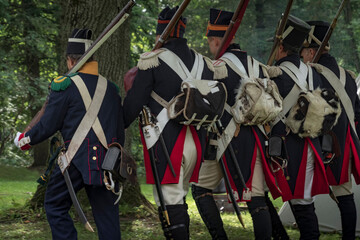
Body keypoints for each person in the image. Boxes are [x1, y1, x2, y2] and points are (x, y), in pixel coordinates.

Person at [14, 28, 124, 240]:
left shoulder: (65, 85)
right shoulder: (111, 89)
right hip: (107, 163)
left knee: (54, 205)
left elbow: (47, 125)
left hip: (76, 160)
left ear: (71, 61)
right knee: (107, 216)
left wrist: (25, 141)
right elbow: (119, 131)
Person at [123, 6, 215, 240]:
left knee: (170, 204)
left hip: (169, 143)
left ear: (160, 34)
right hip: (195, 142)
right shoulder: (203, 62)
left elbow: (133, 104)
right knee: (178, 200)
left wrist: (117, 125)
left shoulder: (152, 61)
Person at [191, 8, 283, 240]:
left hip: (225, 140)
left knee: (206, 191)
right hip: (251, 140)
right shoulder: (257, 65)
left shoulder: (214, 67)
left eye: (210, 42)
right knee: (255, 198)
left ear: (215, 40)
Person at [268, 15, 330, 239]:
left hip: (287, 149)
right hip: (310, 145)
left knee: (267, 197)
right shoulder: (312, 72)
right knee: (302, 204)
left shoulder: (275, 73)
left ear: (281, 46)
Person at [301, 21, 360, 240]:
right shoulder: (349, 76)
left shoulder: (311, 74)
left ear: (312, 51)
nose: (303, 57)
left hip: (317, 143)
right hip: (343, 143)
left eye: (305, 52)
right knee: (345, 196)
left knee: (304, 197)